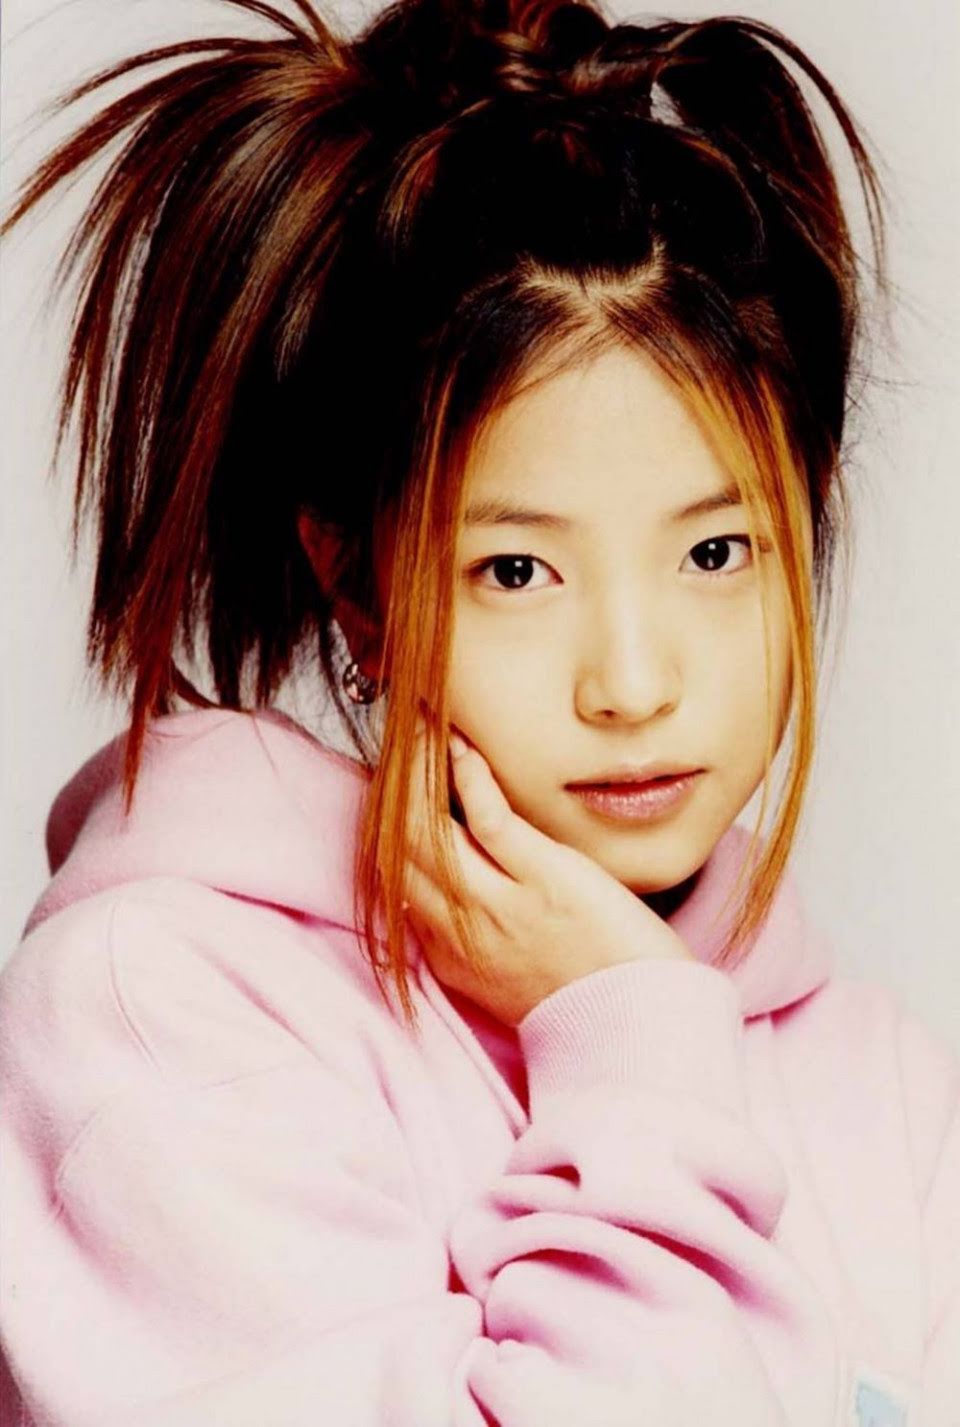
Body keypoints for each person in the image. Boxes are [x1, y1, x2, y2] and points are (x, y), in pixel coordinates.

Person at [0, 0, 956, 1423]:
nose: (633, 684)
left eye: (715, 552)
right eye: (517, 571)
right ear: (360, 587)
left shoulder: (882, 1086)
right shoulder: (156, 1019)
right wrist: (630, 1046)